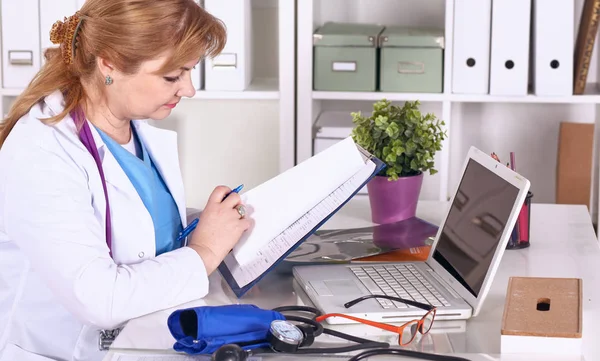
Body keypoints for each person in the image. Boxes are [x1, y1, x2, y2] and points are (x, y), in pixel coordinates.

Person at [0, 1, 252, 360]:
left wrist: (211, 222)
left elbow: (136, 228)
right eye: (172, 76)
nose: (189, 89)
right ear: (109, 64)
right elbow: (99, 297)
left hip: (143, 338)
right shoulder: (40, 152)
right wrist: (205, 252)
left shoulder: (130, 128)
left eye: (190, 72)